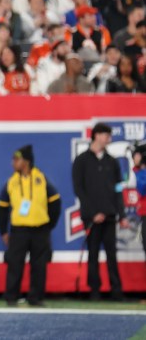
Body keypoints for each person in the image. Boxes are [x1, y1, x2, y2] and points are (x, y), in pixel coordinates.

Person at [0, 145, 61, 307]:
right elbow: (2, 207)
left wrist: (49, 224)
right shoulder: (11, 182)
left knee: (39, 265)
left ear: (26, 161)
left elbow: (55, 202)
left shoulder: (41, 179)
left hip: (40, 229)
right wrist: (4, 231)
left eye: (16, 159)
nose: (13, 163)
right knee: (14, 264)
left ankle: (36, 297)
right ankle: (11, 297)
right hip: (19, 230)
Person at [72, 122, 128, 301]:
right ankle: (94, 290)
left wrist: (121, 214)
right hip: (91, 218)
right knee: (93, 253)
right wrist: (93, 212)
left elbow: (118, 189)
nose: (108, 139)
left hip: (110, 216)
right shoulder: (81, 160)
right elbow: (79, 189)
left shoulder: (112, 162)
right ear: (96, 135)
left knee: (112, 254)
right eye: (106, 135)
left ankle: (116, 290)